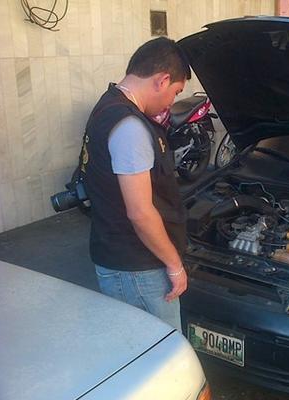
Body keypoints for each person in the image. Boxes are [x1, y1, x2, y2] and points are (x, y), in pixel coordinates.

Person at [82, 37, 192, 331]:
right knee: (163, 356)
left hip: (119, 259)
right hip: (137, 270)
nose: (172, 101)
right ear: (162, 80)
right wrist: (175, 265)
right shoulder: (130, 128)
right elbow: (140, 213)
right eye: (176, 91)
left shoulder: (107, 106)